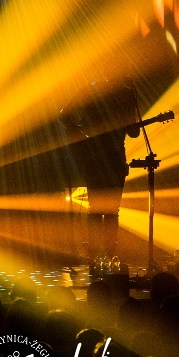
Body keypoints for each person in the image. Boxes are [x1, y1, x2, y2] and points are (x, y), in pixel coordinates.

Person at [62, 77, 141, 268]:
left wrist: (83, 132)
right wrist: (83, 132)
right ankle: (104, 257)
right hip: (104, 161)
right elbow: (63, 116)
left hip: (104, 161)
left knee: (101, 211)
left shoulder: (117, 94)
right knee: (106, 211)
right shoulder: (93, 90)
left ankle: (100, 258)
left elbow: (134, 132)